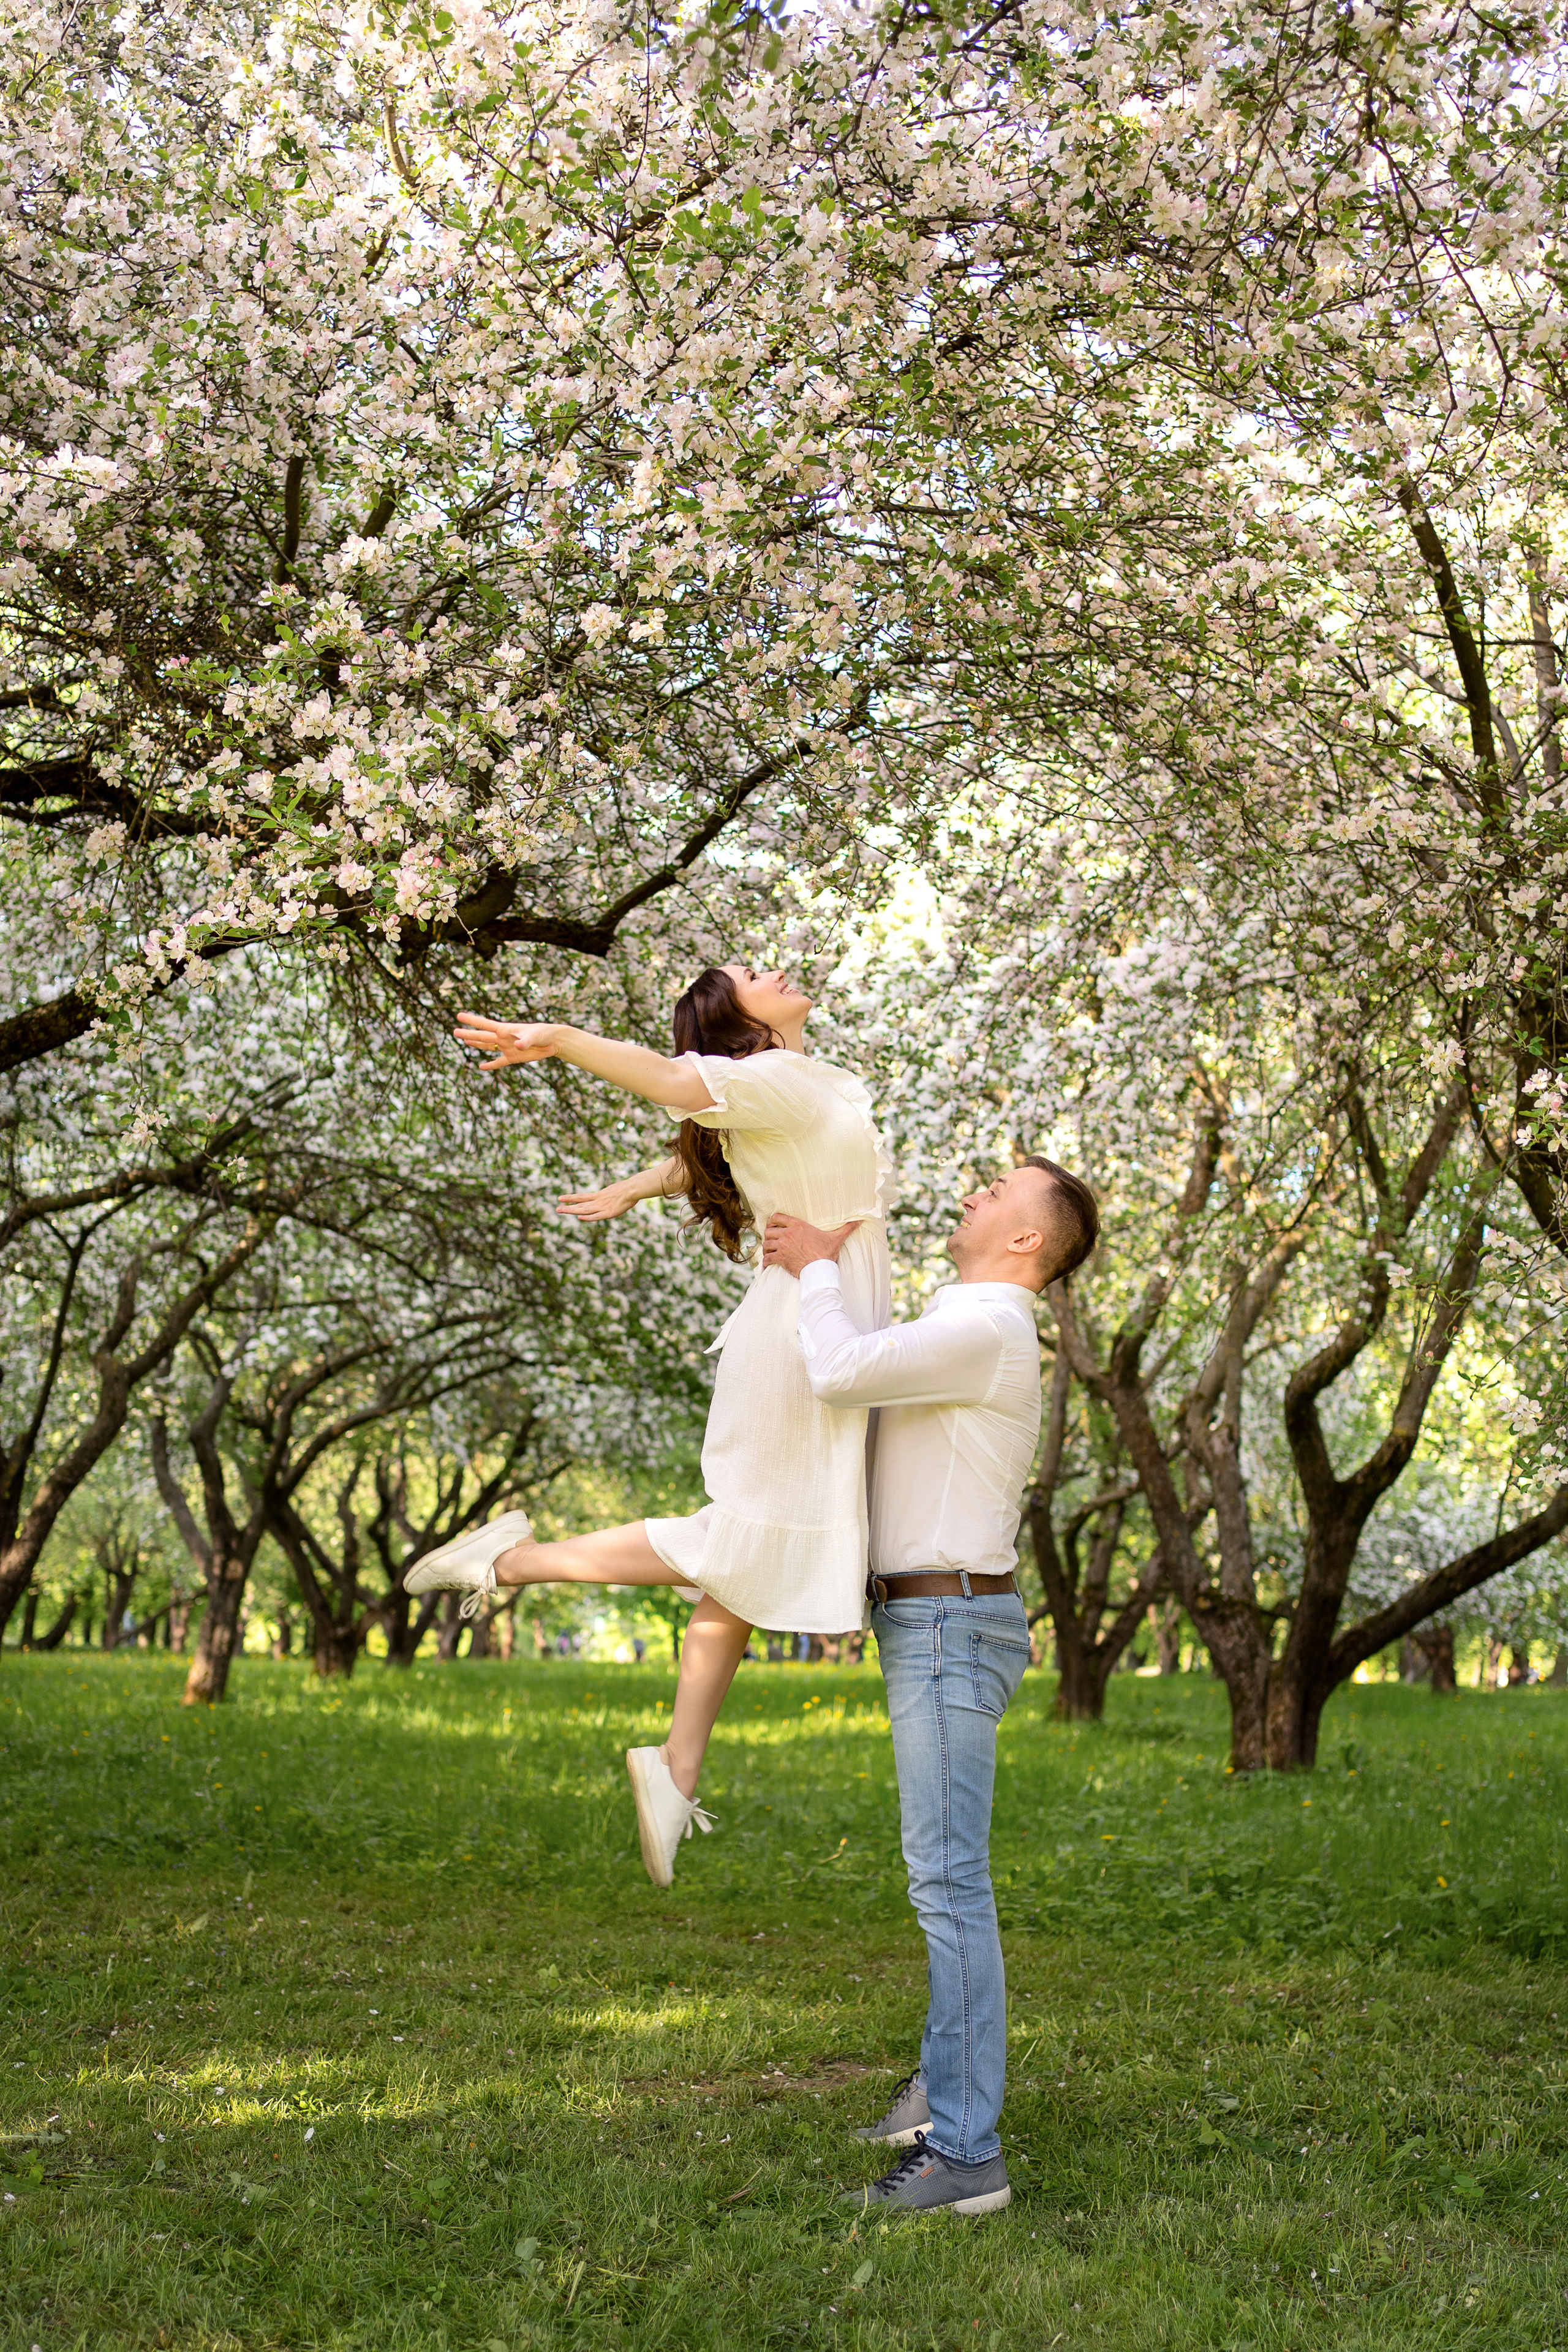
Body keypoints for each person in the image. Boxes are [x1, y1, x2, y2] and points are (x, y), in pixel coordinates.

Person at [404, 963, 893, 1886]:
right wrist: (558, 1038)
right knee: (743, 1543)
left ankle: (674, 1769)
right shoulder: (772, 1078)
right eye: (750, 974)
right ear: (738, 1023)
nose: (774, 967)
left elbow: (713, 1152)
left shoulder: (794, 1084)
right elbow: (674, 1082)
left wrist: (636, 1187)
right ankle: (513, 1564)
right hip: (798, 1337)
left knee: (749, 1560)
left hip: (819, 1325)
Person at [761, 1155, 1099, 2218]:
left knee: (949, 1887)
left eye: (996, 1192)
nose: (971, 1195)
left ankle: (966, 2155)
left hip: (950, 1625)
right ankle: (939, 2094)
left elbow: (840, 1369)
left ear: (1028, 1239)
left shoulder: (991, 1326)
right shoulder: (969, 1322)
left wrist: (817, 1268)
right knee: (943, 1882)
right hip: (934, 1620)